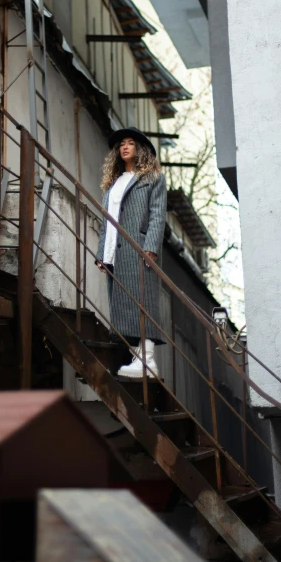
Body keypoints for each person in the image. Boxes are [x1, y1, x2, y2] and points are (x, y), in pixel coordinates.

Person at [95, 127, 167, 378]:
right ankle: (135, 359)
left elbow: (158, 215)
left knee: (142, 303)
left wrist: (151, 247)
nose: (125, 147)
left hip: (139, 249)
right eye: (121, 144)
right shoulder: (112, 184)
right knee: (122, 306)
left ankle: (147, 362)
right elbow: (107, 220)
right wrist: (101, 252)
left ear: (141, 149)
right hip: (114, 251)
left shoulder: (153, 177)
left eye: (131, 143)